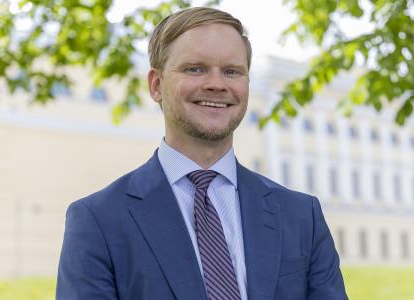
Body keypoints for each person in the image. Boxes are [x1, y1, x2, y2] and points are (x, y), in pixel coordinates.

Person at [56, 7, 347, 300]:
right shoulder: (98, 220)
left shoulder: (300, 217)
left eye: (232, 71)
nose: (217, 84)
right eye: (195, 68)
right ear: (156, 85)